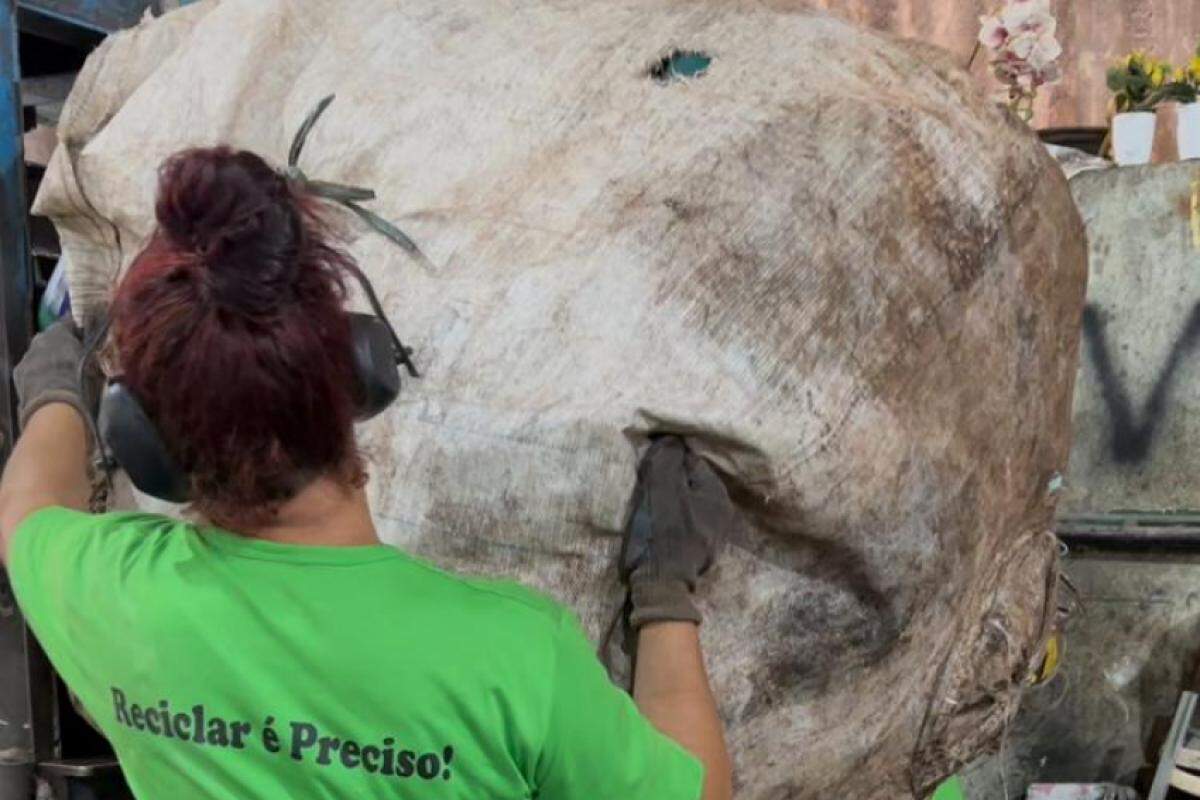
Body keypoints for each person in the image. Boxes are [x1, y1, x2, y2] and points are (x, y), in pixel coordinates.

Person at [0, 147, 734, 799]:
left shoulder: (107, 591)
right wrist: (665, 598)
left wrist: (55, 393)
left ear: (143, 442)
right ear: (361, 374)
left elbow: (26, 504)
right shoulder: (515, 655)